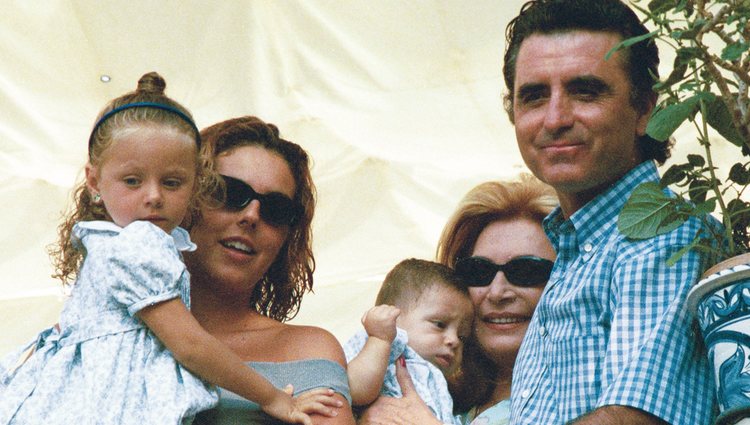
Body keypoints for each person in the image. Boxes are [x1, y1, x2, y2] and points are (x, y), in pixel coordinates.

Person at [0, 73, 315, 425]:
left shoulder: (110, 244)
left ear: (196, 185)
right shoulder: (137, 245)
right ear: (94, 181)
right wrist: (273, 398)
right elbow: (191, 346)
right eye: (132, 181)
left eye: (172, 182)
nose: (153, 196)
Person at [503, 0, 717, 423]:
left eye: (585, 91)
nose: (555, 118)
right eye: (533, 96)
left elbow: (634, 420)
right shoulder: (574, 249)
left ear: (645, 109)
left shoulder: (666, 235)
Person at [187, 115, 355, 424]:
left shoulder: (308, 350)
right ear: (184, 199)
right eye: (229, 193)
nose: (252, 215)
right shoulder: (106, 331)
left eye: (276, 210)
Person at [357, 174, 557, 425]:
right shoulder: (433, 388)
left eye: (526, 271)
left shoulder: (595, 395)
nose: (497, 292)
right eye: (478, 271)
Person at [344, 258, 473, 424]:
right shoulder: (381, 344)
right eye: (440, 325)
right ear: (392, 317)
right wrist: (380, 339)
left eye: (462, 336)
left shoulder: (440, 386)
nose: (454, 340)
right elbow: (354, 389)